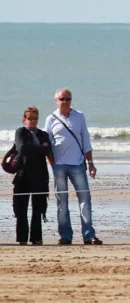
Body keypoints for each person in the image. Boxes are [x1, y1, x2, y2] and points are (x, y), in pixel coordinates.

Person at [44, 89, 103, 245]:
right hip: (60, 166)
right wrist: (53, 164)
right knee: (62, 201)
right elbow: (47, 144)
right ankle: (65, 235)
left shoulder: (79, 116)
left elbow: (86, 140)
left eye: (68, 99)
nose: (65, 101)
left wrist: (91, 163)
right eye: (62, 99)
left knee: (85, 199)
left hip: (77, 164)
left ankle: (89, 234)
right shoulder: (51, 118)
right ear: (56, 100)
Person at [12, 107, 51, 245]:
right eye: (30, 118)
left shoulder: (42, 134)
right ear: (24, 120)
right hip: (23, 176)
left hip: (40, 176)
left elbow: (47, 149)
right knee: (21, 209)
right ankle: (22, 239)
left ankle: (36, 238)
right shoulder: (20, 132)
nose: (33, 121)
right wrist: (40, 149)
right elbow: (22, 149)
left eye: (35, 118)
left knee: (38, 209)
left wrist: (34, 149)